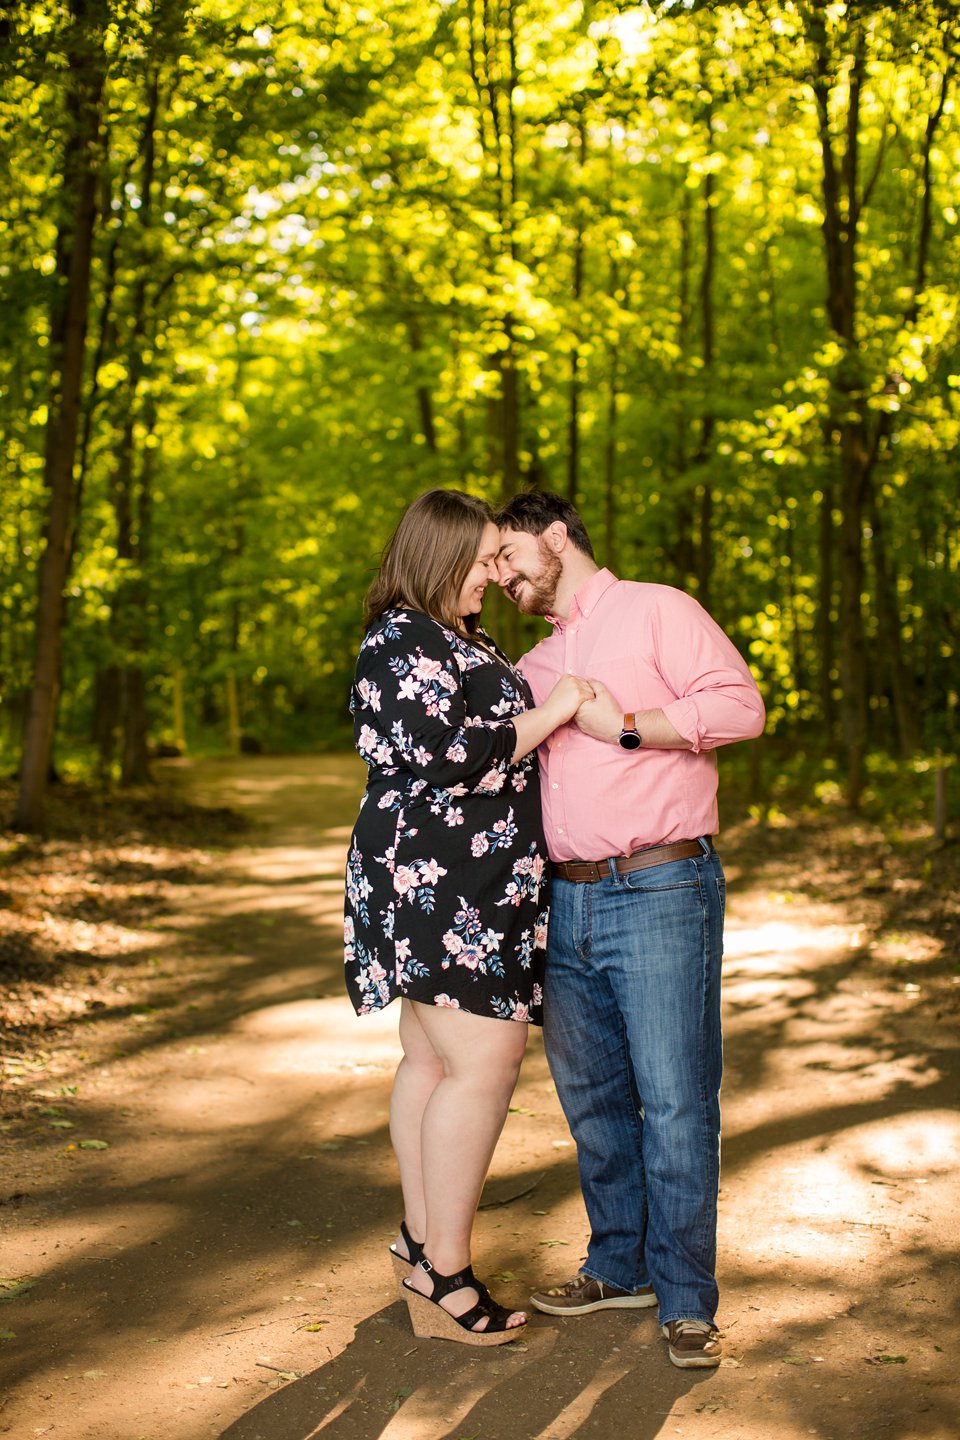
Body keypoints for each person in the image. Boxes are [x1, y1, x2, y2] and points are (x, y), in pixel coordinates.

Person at [494, 490, 765, 1369]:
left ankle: (686, 1299)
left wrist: (631, 729)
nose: (502, 574)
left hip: (659, 886)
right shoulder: (533, 663)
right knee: (594, 1101)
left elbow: (740, 706)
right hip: (562, 902)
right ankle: (618, 1265)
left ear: (558, 537)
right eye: (492, 565)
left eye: (511, 554)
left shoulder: (658, 610)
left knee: (677, 1100)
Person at [344, 488, 594, 1348]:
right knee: (482, 1068)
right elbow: (453, 756)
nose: (496, 574)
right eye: (485, 560)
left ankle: (421, 1245)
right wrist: (556, 709)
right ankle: (447, 1273)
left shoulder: (452, 635)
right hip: (442, 887)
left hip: (461, 882)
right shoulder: (404, 639)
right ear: (440, 558)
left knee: (432, 1060)